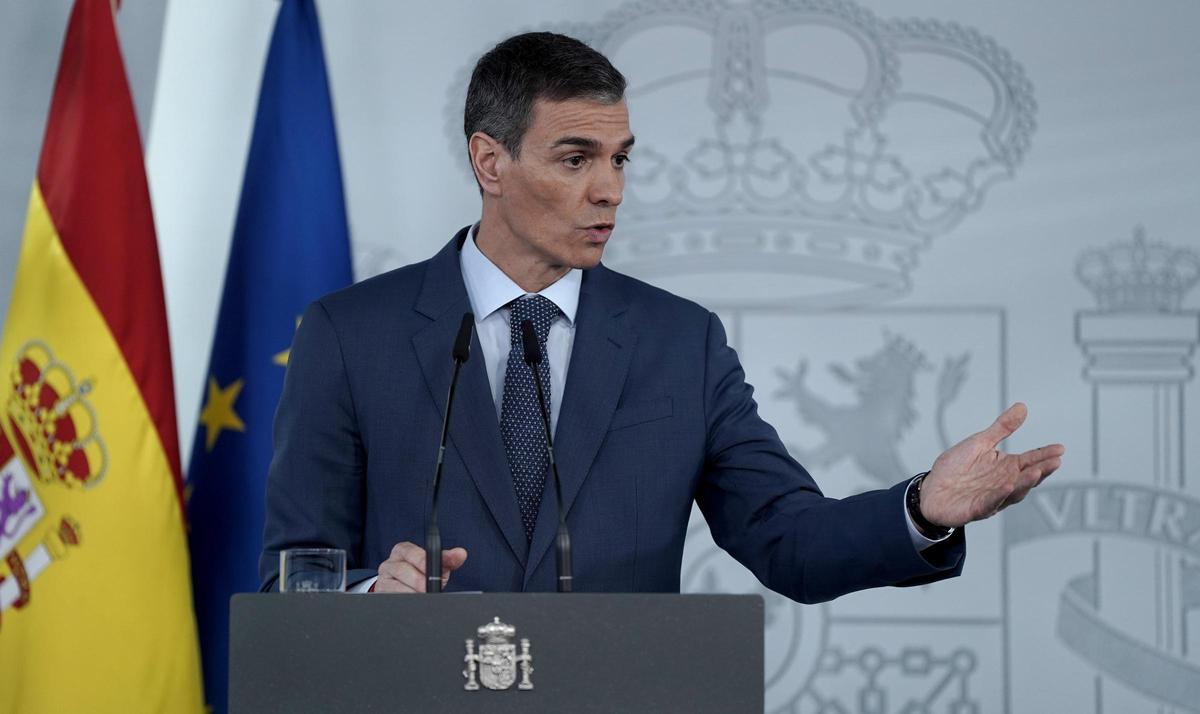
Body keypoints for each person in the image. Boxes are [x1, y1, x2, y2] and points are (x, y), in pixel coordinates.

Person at [259, 32, 1063, 598]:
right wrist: (368, 596)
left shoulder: (681, 343)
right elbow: (295, 573)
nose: (610, 189)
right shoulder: (348, 334)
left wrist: (921, 509)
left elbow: (791, 542)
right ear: (489, 161)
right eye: (576, 159)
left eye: (620, 159)